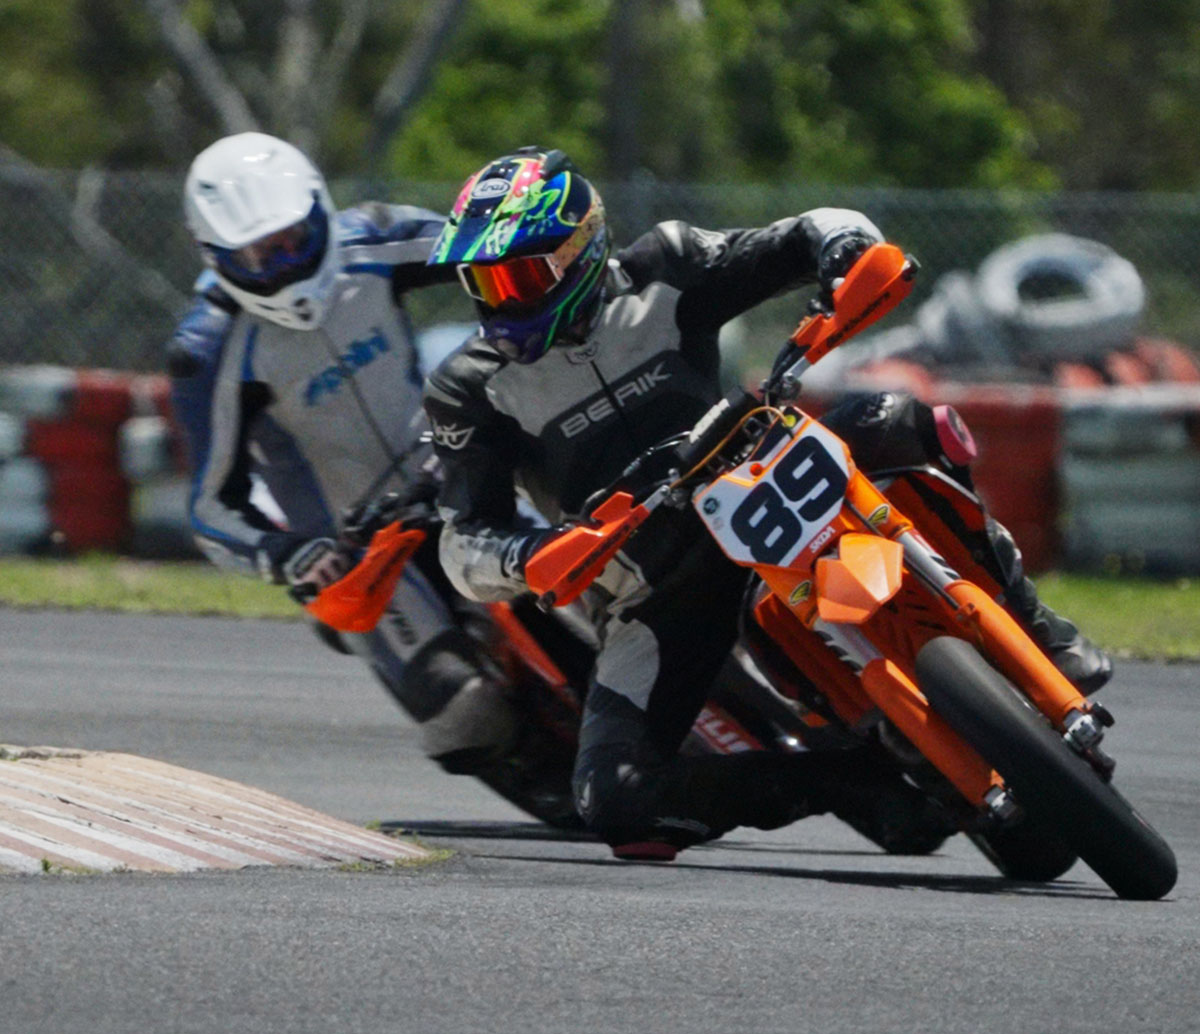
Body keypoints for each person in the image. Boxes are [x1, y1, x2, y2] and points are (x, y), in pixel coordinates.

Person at [421, 146, 1112, 861]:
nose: (503, 300)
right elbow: (461, 539)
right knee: (617, 800)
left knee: (896, 419)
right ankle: (843, 778)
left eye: (521, 276)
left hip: (761, 471)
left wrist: (845, 253)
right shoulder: (467, 387)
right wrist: (534, 554)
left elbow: (811, 228)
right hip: (649, 575)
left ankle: (1035, 625)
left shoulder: (668, 263)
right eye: (484, 281)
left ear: (581, 250)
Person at [166, 131, 569, 819]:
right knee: (463, 708)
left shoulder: (378, 237)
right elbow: (210, 503)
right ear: (215, 257)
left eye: (292, 241)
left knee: (602, 547)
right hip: (358, 546)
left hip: (458, 459)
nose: (280, 267)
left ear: (320, 211)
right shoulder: (207, 351)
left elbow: (491, 250)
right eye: (254, 257)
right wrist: (289, 554)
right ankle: (546, 774)